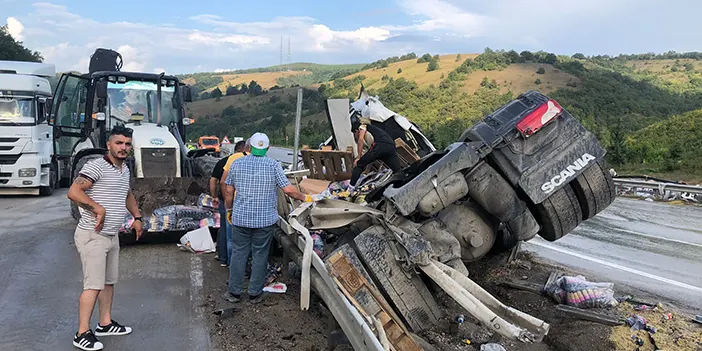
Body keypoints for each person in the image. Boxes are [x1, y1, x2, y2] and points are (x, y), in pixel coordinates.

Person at [67, 125, 144, 351]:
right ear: (109, 144)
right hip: (93, 235)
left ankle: (105, 323)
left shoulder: (124, 169)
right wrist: (97, 208)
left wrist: (137, 216)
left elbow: (126, 193)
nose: (123, 148)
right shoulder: (97, 166)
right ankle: (81, 333)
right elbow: (73, 192)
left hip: (111, 235)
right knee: (93, 285)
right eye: (119, 143)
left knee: (108, 282)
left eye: (127, 144)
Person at [222, 132, 314, 304]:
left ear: (249, 147)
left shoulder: (237, 163)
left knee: (239, 253)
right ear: (268, 148)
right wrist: (305, 198)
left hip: (240, 218)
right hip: (264, 220)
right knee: (260, 254)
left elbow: (228, 191)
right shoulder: (273, 165)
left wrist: (230, 209)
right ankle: (254, 294)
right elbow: (288, 190)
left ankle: (234, 293)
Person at [209, 140, 248, 267]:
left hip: (224, 200)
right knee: (236, 234)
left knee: (225, 229)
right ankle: (236, 263)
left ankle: (223, 258)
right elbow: (223, 182)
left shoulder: (222, 162)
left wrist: (215, 196)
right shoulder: (242, 161)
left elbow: (214, 180)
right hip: (237, 200)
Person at [350, 115, 402, 186]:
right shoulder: (373, 131)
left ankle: (351, 187)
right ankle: (401, 184)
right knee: (397, 170)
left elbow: (360, 140)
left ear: (356, 131)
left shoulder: (362, 126)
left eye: (354, 134)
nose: (355, 136)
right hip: (390, 145)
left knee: (359, 164)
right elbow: (371, 157)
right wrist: (366, 171)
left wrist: (358, 157)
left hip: (380, 145)